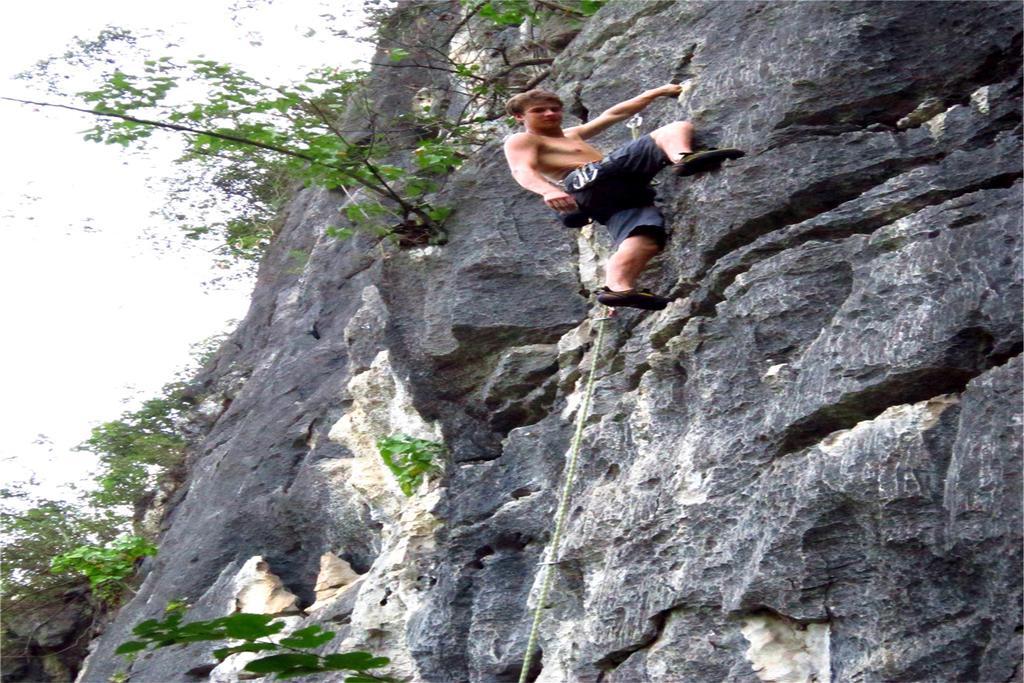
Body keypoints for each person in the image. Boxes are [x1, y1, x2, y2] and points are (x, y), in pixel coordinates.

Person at [502, 85, 743, 310]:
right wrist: (548, 190)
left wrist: (655, 92)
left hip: (604, 196)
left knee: (644, 236)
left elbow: (613, 114)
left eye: (554, 109)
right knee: (672, 129)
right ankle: (683, 158)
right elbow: (521, 169)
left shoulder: (572, 134)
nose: (549, 113)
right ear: (520, 117)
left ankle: (619, 287)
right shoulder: (522, 140)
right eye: (539, 111)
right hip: (585, 179)